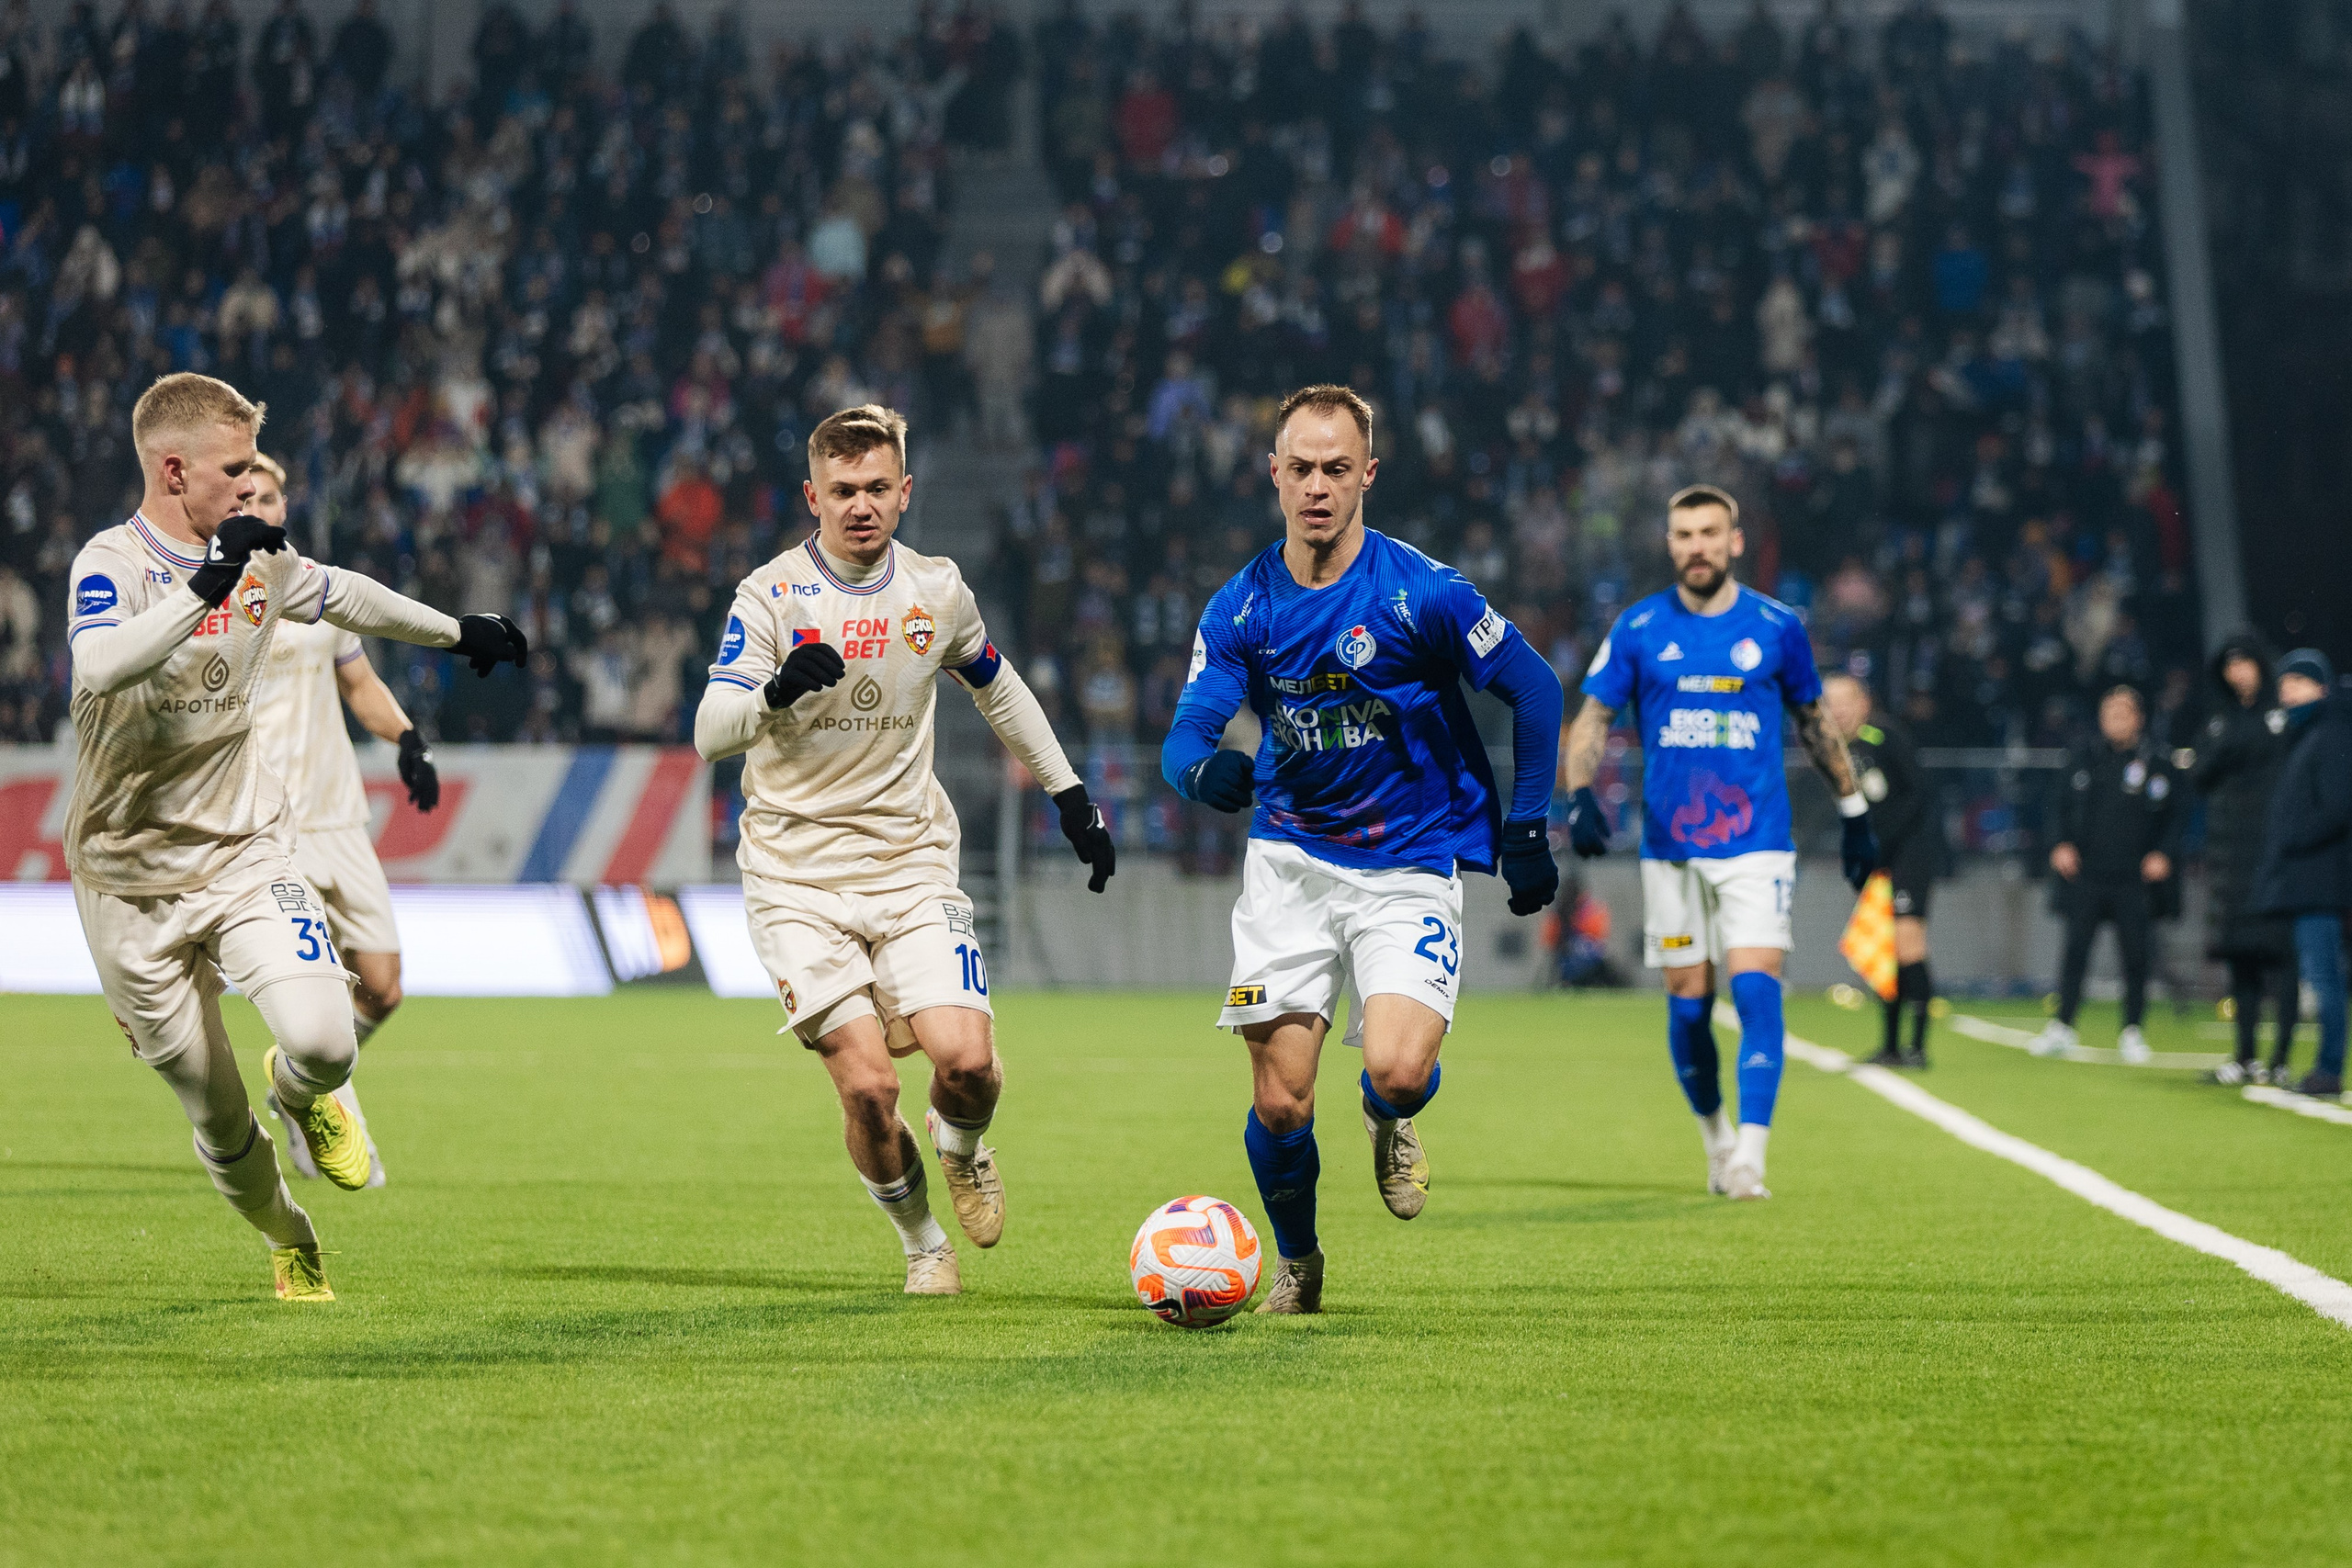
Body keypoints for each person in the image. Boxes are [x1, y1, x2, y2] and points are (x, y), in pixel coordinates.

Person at [64, 373, 526, 1302]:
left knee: (326, 1042)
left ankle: (302, 1093)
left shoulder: (260, 558)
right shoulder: (110, 561)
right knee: (216, 1114)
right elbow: (101, 662)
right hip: (126, 882)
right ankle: (289, 1234)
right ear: (173, 470)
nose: (249, 487)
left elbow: (348, 596)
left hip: (244, 849)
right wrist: (208, 582)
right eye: (233, 470)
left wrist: (455, 632)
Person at [694, 404, 1114, 1296]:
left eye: (877, 488)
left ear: (906, 492)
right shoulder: (770, 597)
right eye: (843, 489)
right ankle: (923, 1242)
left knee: (968, 1065)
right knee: (869, 1090)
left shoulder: (936, 590)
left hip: (910, 862)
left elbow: (999, 689)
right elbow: (708, 731)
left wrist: (1070, 794)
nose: (861, 505)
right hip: (795, 878)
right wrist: (773, 694)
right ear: (812, 496)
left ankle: (959, 1146)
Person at [1161, 383, 1564, 1315]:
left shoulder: (1423, 591)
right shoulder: (1241, 607)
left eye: (1336, 469)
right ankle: (1298, 1264)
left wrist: (1527, 826)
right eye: (1300, 468)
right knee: (1280, 1103)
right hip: (1290, 863)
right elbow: (1186, 734)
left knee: (1398, 1070)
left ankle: (1389, 1116)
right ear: (1273, 473)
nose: (1317, 486)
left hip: (1409, 862)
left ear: (1368, 475)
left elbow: (1536, 688)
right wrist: (1200, 773)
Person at [1563, 485, 1876, 1201]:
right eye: (1684, 534)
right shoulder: (1640, 626)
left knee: (1757, 984)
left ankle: (1751, 1158)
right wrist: (1580, 793)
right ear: (1669, 543)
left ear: (1735, 541)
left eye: (1709, 532)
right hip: (1671, 847)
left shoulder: (1776, 625)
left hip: (1756, 840)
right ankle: (1717, 1140)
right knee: (1687, 1005)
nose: (1696, 545)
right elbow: (1593, 716)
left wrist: (1854, 808)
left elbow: (1815, 721)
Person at [247, 452, 441, 1187]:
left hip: (339, 817)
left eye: (270, 496)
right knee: (320, 984)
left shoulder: (314, 588)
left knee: (383, 986)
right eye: (247, 496)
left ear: (285, 506)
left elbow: (358, 682)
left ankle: (293, 1085)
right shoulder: (212, 596)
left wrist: (408, 739)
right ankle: (330, 1124)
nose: (260, 507)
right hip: (269, 826)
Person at [2033, 686, 2182, 1064]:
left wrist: (2164, 853)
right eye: (2110, 712)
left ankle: (2132, 1030)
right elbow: (2056, 805)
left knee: (2136, 955)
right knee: (2075, 952)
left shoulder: (2157, 763)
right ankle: (2063, 1025)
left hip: (2134, 878)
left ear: (2139, 719)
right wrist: (2060, 843)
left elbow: (2178, 815)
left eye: (2123, 712)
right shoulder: (2082, 758)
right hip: (2087, 874)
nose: (2116, 719)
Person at [2185, 636, 2299, 1084]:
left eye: (2245, 663)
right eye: (2230, 665)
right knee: (2241, 957)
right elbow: (2199, 774)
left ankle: (2281, 1059)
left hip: (2276, 853)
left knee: (2283, 957)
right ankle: (2245, 1056)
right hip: (2231, 855)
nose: (2238, 673)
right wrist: (2229, 743)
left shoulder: (2281, 715)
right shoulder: (2219, 720)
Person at [2251, 649, 2351, 1099]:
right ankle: (2323, 1068)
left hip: (2320, 881)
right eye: (2284, 683)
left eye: (2298, 682)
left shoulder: (2329, 735)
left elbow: (2337, 808)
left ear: (2322, 688)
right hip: (2308, 880)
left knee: (2325, 977)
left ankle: (2328, 1069)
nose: (2287, 690)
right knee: (2319, 975)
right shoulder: (2308, 736)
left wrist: (2291, 838)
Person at [1824, 672, 1937, 1066]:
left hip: (1909, 854)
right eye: (1830, 702)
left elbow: (1918, 794)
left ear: (1864, 703)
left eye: (1845, 701)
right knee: (1885, 950)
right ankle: (1890, 1046)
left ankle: (1917, 1047)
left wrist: (1883, 841)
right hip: (1881, 859)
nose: (1837, 710)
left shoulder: (1884, 736)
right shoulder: (1838, 748)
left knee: (1908, 945)